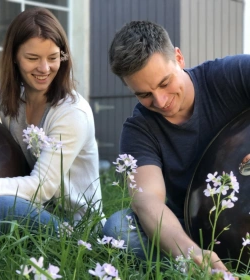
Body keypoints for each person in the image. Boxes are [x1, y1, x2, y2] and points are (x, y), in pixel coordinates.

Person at [102, 20, 250, 271]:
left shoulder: (229, 74)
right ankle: (197, 268)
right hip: (191, 229)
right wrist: (190, 252)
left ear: (179, 58)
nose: (160, 101)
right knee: (119, 229)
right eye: (144, 94)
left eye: (164, 83)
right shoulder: (138, 130)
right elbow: (147, 200)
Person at [0, 7, 103, 249]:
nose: (44, 69)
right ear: (14, 57)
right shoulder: (8, 94)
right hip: (32, 211)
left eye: (53, 58)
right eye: (33, 58)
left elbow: (39, 189)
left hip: (74, 230)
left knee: (2, 205)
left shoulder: (71, 112)